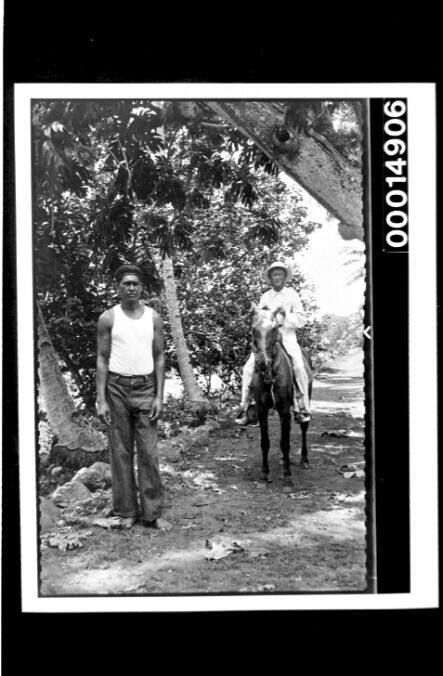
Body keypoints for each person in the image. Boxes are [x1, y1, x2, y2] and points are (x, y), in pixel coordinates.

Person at [96, 264, 170, 530]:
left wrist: (159, 396)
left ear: (141, 288)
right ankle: (126, 511)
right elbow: (102, 360)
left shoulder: (153, 317)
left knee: (149, 452)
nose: (130, 288)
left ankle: (152, 514)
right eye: (125, 284)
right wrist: (101, 398)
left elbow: (160, 357)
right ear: (118, 288)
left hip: (145, 387)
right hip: (115, 388)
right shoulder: (108, 318)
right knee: (120, 451)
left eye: (135, 284)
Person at [235, 261, 311, 426]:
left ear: (285, 277)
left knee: (298, 367)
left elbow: (302, 319)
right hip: (268, 339)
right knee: (248, 369)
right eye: (274, 274)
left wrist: (283, 319)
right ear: (270, 278)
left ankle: (303, 407)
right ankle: (247, 408)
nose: (277, 277)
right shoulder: (265, 297)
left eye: (280, 274)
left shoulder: (292, 294)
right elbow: (260, 319)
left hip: (287, 338)